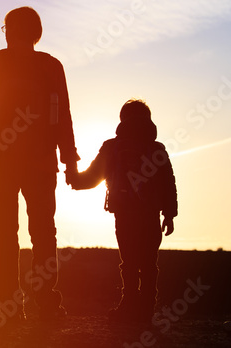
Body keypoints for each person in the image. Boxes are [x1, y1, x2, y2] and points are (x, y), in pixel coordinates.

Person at [0, 6, 80, 321]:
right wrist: (69, 159)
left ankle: (8, 304)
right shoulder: (50, 65)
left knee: (6, 232)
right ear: (37, 31)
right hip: (40, 164)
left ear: (8, 30)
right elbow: (62, 116)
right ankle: (44, 302)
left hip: (6, 163)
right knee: (43, 233)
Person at [69, 99, 178, 323]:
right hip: (151, 214)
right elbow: (168, 183)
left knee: (128, 261)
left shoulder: (112, 146)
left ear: (122, 118)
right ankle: (147, 309)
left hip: (124, 213)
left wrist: (73, 177)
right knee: (149, 263)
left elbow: (92, 178)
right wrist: (169, 214)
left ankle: (128, 306)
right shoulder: (157, 149)